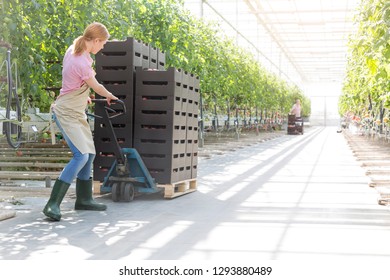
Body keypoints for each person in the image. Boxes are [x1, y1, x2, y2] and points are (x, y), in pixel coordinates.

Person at [43, 22, 118, 221]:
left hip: (76, 111)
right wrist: (110, 95)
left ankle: (84, 199)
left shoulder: (75, 48)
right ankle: (52, 204)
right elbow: (97, 86)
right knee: (81, 155)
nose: (102, 48)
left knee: (90, 154)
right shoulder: (82, 62)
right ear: (95, 41)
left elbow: (72, 80)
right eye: (102, 44)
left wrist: (80, 94)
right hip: (67, 112)